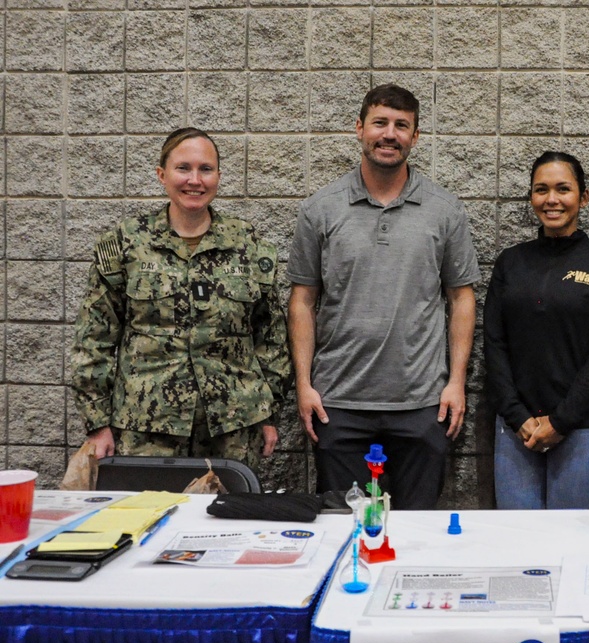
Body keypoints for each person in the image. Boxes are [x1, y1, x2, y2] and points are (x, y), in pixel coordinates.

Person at [287, 84, 480, 509]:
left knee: (415, 533)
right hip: (337, 403)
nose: (389, 134)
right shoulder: (320, 209)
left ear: (416, 136)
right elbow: (302, 299)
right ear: (359, 129)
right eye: (380, 123)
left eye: (401, 125)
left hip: (423, 403)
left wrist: (456, 383)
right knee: (345, 531)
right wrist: (304, 384)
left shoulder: (444, 210)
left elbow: (461, 298)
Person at [71, 127, 290, 469]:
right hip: (147, 429)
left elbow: (272, 335)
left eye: (206, 169)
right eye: (183, 168)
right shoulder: (127, 245)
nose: (195, 180)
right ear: (162, 175)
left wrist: (267, 410)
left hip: (232, 428)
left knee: (228, 521)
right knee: (150, 519)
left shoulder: (248, 246)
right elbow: (94, 338)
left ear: (218, 176)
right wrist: (98, 423)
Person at [484, 152, 589, 509]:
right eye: (541, 189)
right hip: (517, 429)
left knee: (570, 543)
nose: (551, 199)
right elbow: (494, 343)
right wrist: (518, 416)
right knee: (520, 542)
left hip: (582, 428)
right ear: (531, 197)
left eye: (563, 189)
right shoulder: (510, 262)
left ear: (584, 197)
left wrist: (561, 421)